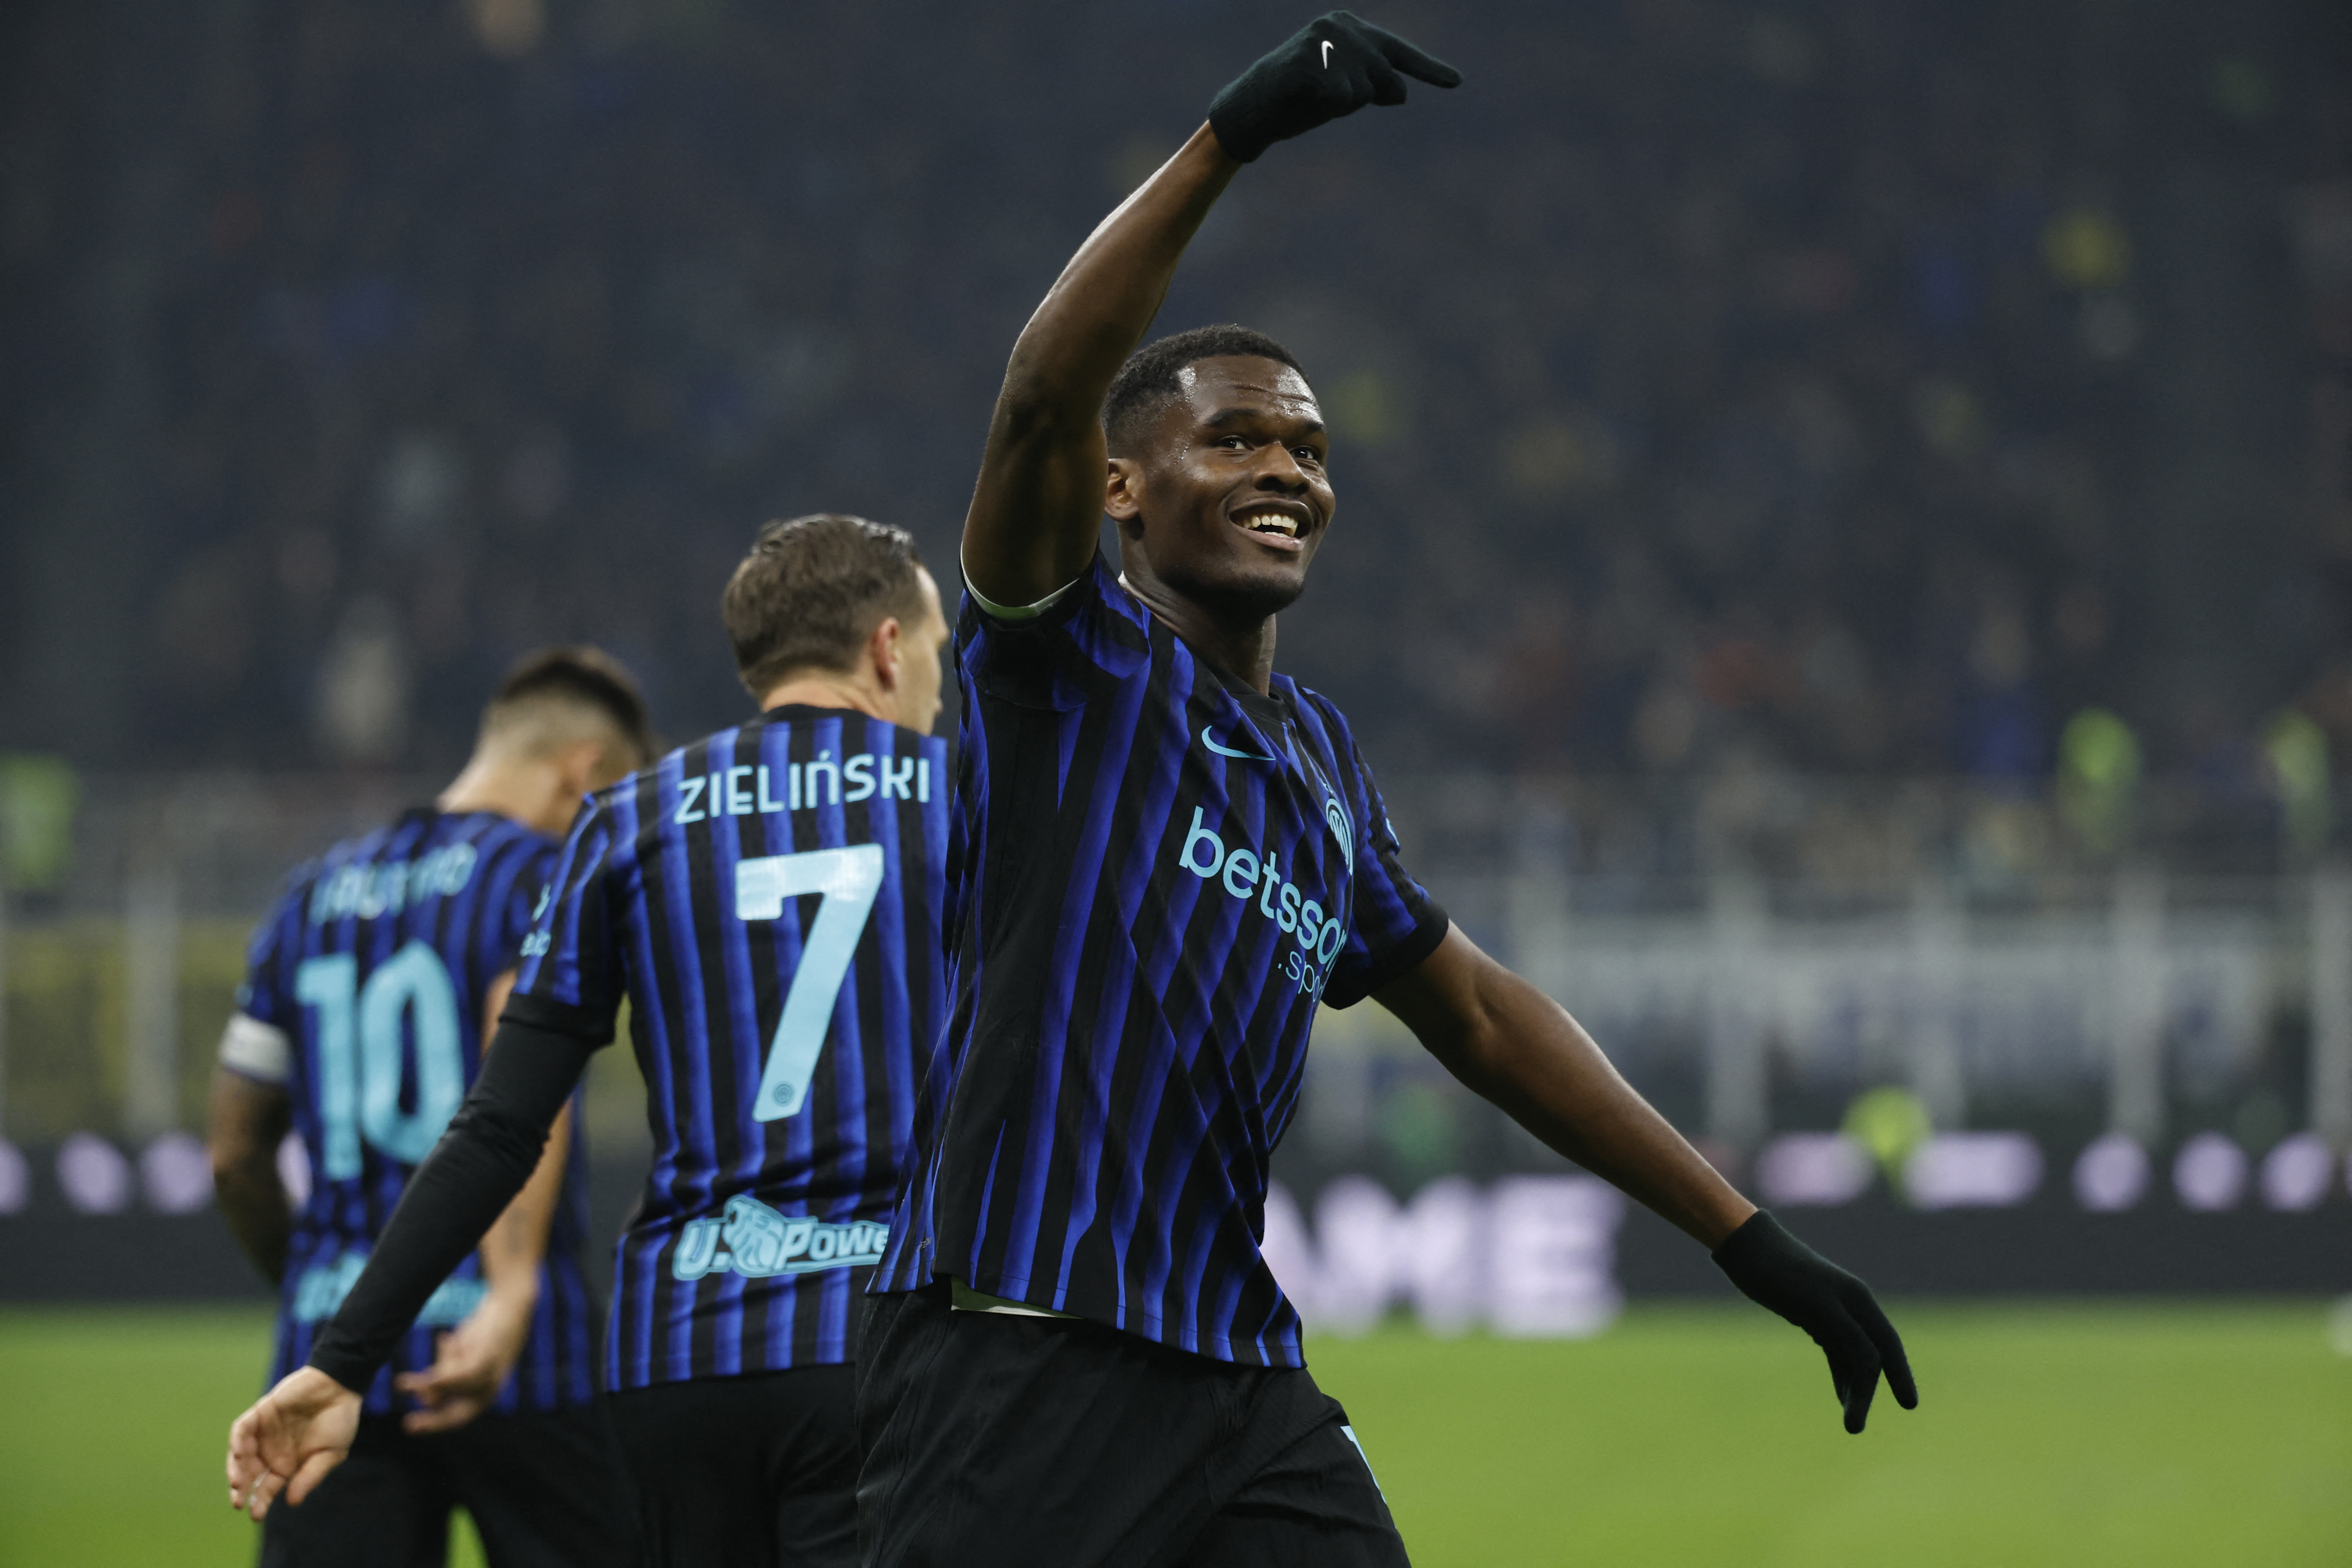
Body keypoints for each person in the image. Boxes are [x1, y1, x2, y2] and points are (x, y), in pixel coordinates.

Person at [854, 13, 1917, 1567]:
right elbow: (1033, 406)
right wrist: (1230, 138)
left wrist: (1744, 1235)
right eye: (1237, 438)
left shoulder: (1323, 762)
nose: (1291, 467)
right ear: (1124, 490)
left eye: (1309, 447)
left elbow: (1477, 1014)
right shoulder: (1068, 665)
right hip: (1019, 1346)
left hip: (1235, 1376)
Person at [227, 515, 955, 1568]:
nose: (937, 687)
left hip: (679, 1358)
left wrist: (345, 1362)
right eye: (935, 651)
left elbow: (498, 1123)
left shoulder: (627, 822)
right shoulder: (963, 800)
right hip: (882, 1345)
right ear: (889, 649)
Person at [207, 647, 654, 1568]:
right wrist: (510, 1283)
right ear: (583, 769)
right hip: (526, 1351)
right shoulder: (540, 872)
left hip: (336, 1349)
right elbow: (520, 1088)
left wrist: (315, 1285)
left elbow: (233, 1152)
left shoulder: (310, 897)